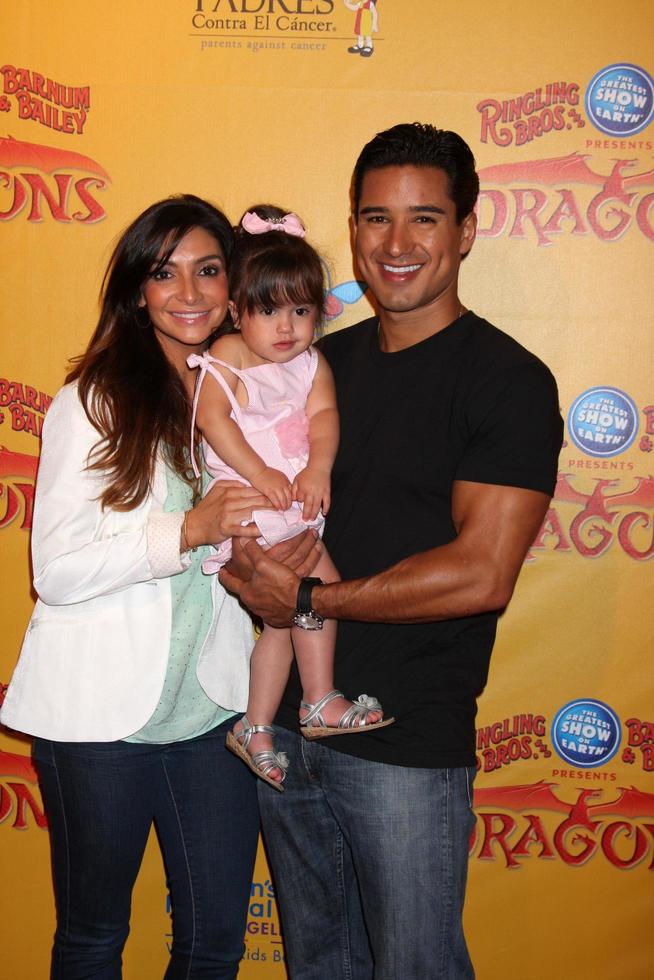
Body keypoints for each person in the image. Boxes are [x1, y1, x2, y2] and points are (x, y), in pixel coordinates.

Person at [220, 124, 564, 979]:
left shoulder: (506, 380)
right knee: (319, 966)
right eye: (376, 218)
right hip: (287, 734)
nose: (397, 244)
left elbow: (482, 574)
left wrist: (306, 602)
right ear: (353, 226)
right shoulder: (309, 361)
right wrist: (232, 555)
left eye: (424, 219)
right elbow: (231, 485)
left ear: (467, 231)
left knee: (415, 968)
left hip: (407, 745)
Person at [0, 194, 319, 979]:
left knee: (214, 941)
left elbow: (247, 564)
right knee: (94, 936)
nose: (189, 292)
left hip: (214, 711)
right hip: (100, 720)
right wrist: (186, 529)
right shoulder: (95, 400)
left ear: (236, 285)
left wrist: (280, 560)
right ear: (136, 290)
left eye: (209, 270)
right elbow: (59, 569)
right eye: (164, 272)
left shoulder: (263, 394)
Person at [187, 204, 391, 791]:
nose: (287, 327)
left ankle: (255, 725)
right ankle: (319, 698)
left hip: (292, 505)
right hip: (249, 506)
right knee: (315, 592)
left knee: (283, 621)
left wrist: (319, 468)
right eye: (269, 310)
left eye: (301, 311)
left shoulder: (310, 364)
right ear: (235, 312)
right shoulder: (230, 353)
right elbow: (212, 417)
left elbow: (324, 418)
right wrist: (260, 473)